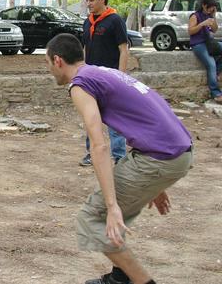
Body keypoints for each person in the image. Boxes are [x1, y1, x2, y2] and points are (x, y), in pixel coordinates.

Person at [45, 34, 193, 284]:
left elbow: (99, 145)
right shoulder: (102, 72)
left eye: (48, 63)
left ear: (58, 60)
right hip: (176, 152)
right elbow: (147, 113)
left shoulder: (80, 84)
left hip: (160, 158)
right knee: (114, 210)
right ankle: (120, 278)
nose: (49, 70)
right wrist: (156, 183)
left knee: (93, 217)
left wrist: (112, 205)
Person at [80, 0, 128, 166]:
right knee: (91, 116)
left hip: (110, 78)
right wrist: (82, 71)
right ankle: (91, 153)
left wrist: (121, 77)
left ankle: (119, 156)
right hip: (91, 78)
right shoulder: (87, 22)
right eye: (87, 0)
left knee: (114, 118)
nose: (88, 3)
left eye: (92, 0)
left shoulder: (115, 20)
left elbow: (124, 49)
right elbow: (85, 48)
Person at [188, 0, 222, 103]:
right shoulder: (195, 16)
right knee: (211, 64)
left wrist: (214, 17)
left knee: (214, 64)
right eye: (209, 7)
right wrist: (202, 24)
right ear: (203, 5)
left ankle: (217, 73)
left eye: (213, 8)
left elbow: (215, 30)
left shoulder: (210, 15)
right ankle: (216, 93)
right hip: (198, 44)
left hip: (210, 43)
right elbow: (190, 31)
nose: (211, 9)